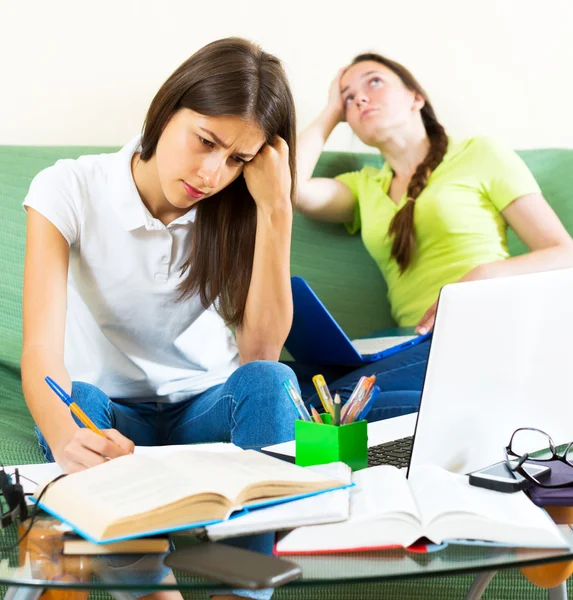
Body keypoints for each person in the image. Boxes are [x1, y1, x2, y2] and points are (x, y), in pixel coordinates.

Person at [21, 37, 300, 600]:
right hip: (111, 411)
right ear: (166, 108)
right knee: (81, 404)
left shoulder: (241, 206)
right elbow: (42, 351)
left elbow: (261, 353)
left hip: (202, 408)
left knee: (272, 382)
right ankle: (150, 585)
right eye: (206, 141)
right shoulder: (69, 187)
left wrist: (275, 208)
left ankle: (240, 589)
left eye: (238, 159)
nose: (213, 172)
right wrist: (61, 435)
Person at [294, 52, 573, 419]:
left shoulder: (479, 153)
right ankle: (467, 413)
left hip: (480, 324)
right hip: (406, 342)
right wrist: (331, 110)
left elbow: (563, 253)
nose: (359, 97)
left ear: (416, 97)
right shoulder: (365, 187)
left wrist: (480, 276)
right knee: (286, 388)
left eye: (374, 82)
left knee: (324, 408)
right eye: (348, 96)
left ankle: (479, 411)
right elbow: (290, 188)